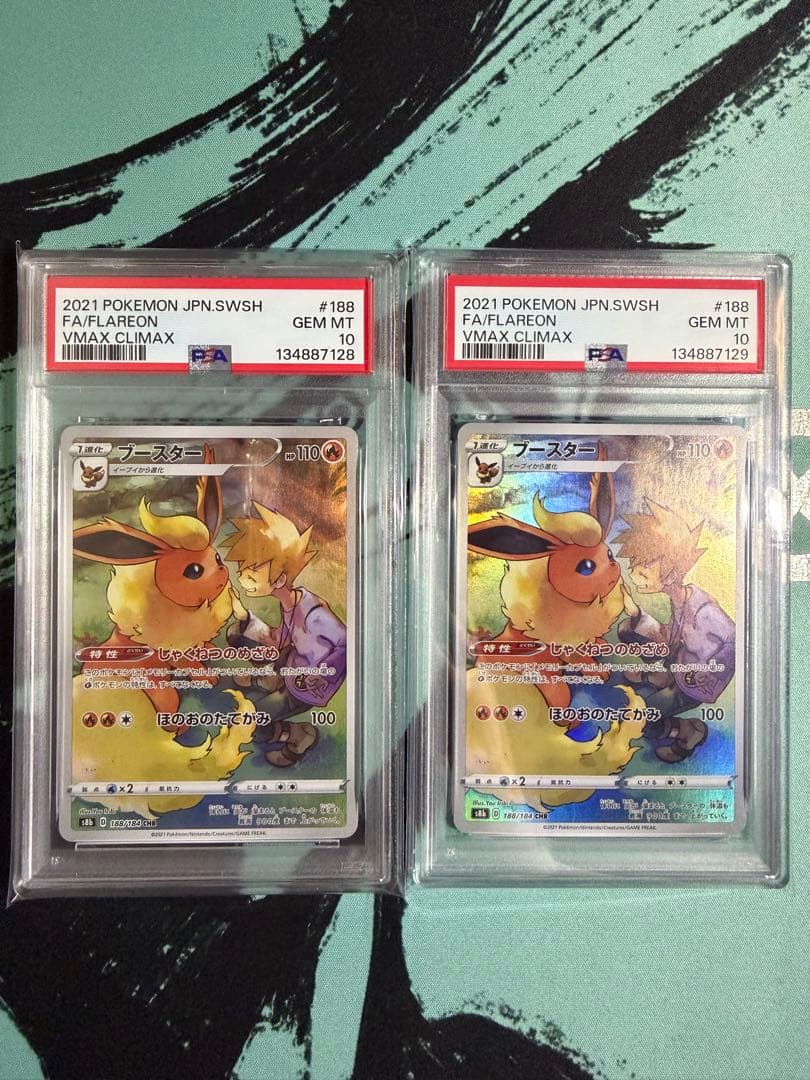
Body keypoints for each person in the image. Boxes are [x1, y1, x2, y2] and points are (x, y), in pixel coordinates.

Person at [221, 503, 347, 768]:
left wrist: (320, 673)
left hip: (308, 686)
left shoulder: (314, 613)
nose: (243, 577)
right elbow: (280, 639)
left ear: (278, 579)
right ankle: (269, 680)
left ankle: (298, 735)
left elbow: (346, 644)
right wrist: (244, 616)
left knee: (251, 722)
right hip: (292, 664)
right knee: (237, 633)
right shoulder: (289, 602)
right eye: (243, 570)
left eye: (251, 572)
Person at [614, 500, 734, 763]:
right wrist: (636, 614)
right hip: (682, 663)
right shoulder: (680, 599)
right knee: (628, 628)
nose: (634, 576)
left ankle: (689, 731)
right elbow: (671, 636)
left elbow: (733, 642)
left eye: (642, 571)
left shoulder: (704, 610)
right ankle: (661, 676)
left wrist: (704, 673)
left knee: (642, 719)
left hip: (696, 682)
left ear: (669, 574)